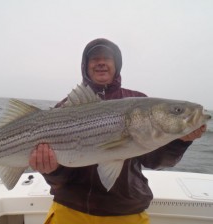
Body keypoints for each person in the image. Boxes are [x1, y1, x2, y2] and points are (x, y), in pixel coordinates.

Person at [29, 38, 207, 224]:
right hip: (70, 209)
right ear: (85, 65)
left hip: (125, 212)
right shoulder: (65, 108)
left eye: (107, 58)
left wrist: (180, 141)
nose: (101, 62)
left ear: (116, 65)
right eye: (94, 59)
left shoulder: (138, 100)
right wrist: (51, 171)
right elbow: (61, 177)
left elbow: (155, 161)